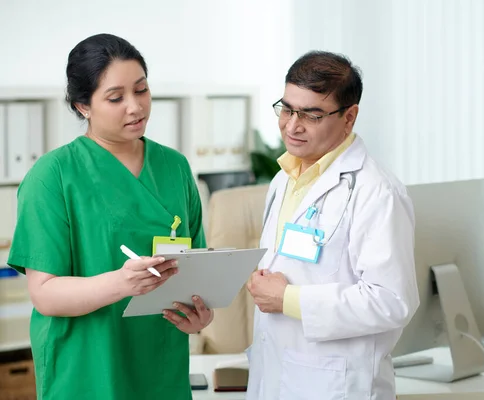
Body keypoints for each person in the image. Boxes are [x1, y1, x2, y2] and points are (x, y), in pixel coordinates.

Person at [7, 33, 213, 400]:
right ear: (83, 105)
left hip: (159, 363)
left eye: (142, 90)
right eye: (116, 98)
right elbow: (45, 294)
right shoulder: (52, 176)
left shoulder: (176, 168)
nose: (135, 107)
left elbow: (196, 272)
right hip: (86, 368)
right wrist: (122, 284)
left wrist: (200, 316)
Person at [246, 51, 420, 399]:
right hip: (277, 375)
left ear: (349, 117)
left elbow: (391, 300)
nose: (292, 125)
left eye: (311, 115)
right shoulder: (284, 178)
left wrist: (288, 298)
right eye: (288, 108)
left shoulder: (376, 191)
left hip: (337, 385)